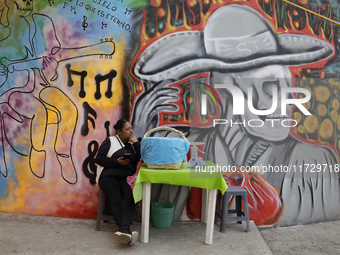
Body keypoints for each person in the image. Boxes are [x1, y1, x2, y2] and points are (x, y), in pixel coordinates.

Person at [95, 119, 140, 245]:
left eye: (131, 128)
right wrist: (116, 162)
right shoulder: (110, 141)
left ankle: (124, 230)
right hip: (108, 176)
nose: (131, 131)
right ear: (119, 131)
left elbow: (143, 158)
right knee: (116, 199)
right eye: (127, 129)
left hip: (126, 177)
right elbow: (99, 159)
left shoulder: (133, 145)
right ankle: (126, 230)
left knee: (130, 197)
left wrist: (136, 143)